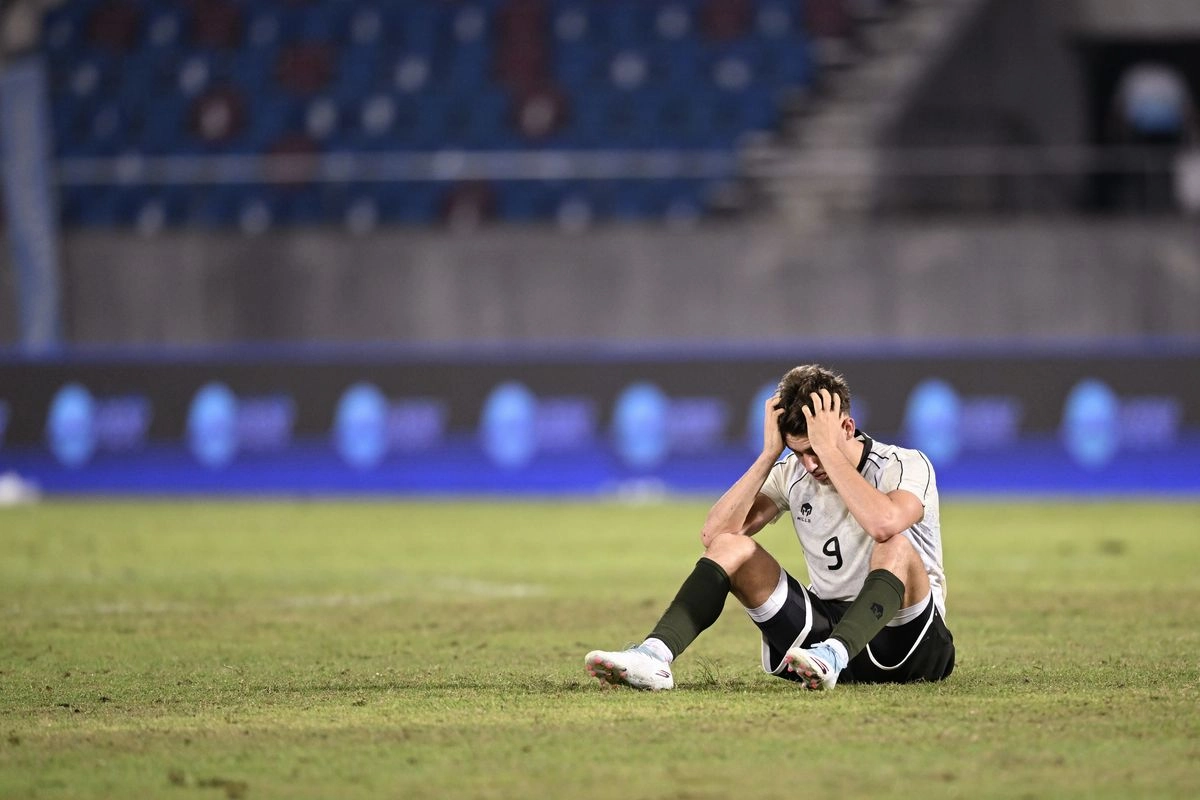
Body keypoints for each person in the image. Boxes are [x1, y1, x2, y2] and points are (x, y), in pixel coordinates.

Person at [585, 364, 954, 691]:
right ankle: (654, 655)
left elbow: (883, 523)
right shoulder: (792, 473)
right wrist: (767, 456)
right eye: (799, 453)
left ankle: (834, 655)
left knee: (895, 545)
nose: (810, 465)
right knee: (733, 546)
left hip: (908, 638)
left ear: (847, 426)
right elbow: (715, 536)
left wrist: (829, 451)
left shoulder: (903, 464)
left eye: (816, 450)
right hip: (824, 635)